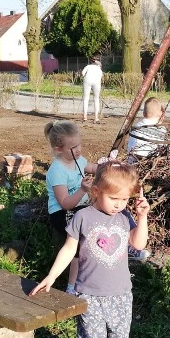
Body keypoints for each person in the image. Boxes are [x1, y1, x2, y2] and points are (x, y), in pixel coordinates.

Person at [30, 161, 150, 338]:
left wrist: (141, 215)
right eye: (113, 198)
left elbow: (138, 245)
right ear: (96, 191)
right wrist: (52, 276)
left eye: (124, 199)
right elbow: (68, 249)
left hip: (121, 294)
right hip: (89, 293)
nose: (119, 204)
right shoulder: (83, 217)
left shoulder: (125, 217)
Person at [44, 120, 99, 295]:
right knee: (80, 239)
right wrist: (83, 189)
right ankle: (72, 286)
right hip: (61, 212)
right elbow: (65, 203)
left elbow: (89, 166)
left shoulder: (78, 159)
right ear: (58, 149)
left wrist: (106, 168)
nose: (78, 150)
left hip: (79, 207)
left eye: (79, 144)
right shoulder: (57, 170)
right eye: (73, 147)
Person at [81, 57, 103, 123]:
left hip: (87, 81)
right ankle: (96, 117)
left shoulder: (88, 66)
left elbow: (82, 73)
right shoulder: (99, 69)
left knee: (86, 98)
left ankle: (85, 116)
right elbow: (101, 76)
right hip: (96, 82)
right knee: (96, 99)